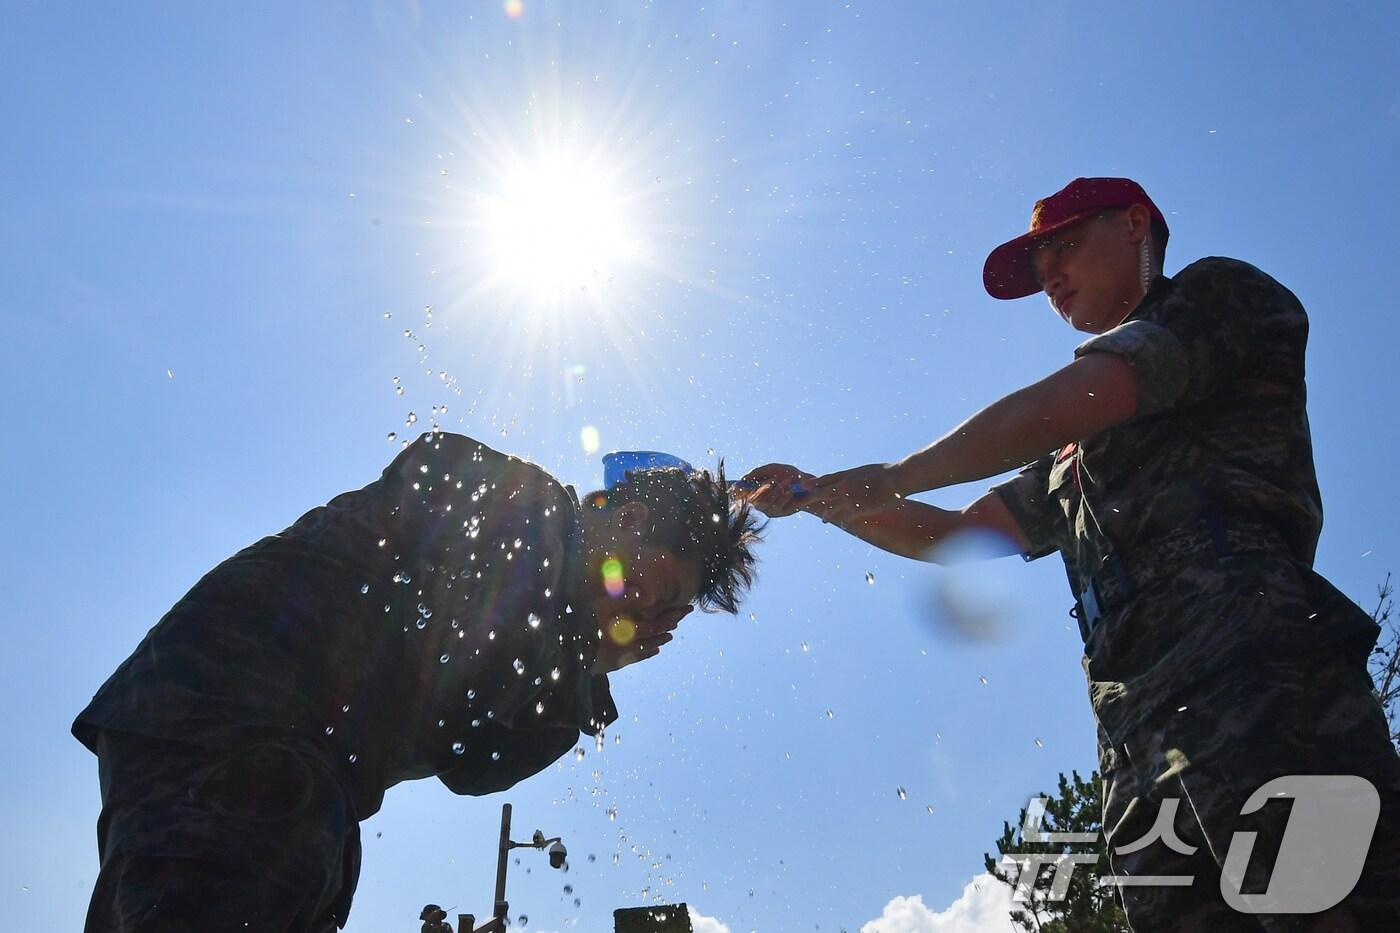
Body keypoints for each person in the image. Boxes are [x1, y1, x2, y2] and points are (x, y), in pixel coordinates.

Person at [744, 177, 1400, 931]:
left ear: (1133, 226)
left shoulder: (1219, 298)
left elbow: (1087, 390)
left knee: (1328, 912)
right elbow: (959, 533)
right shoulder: (1072, 453)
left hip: (1255, 675)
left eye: (1064, 245)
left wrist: (892, 475)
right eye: (1038, 265)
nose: (1049, 276)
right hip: (1136, 731)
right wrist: (816, 497)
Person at [74, 429, 760, 932]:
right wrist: (580, 662)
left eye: (672, 615)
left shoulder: (554, 619)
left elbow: (471, 759)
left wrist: (588, 664)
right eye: (662, 589)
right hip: (231, 720)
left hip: (287, 769)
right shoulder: (531, 512)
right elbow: (431, 470)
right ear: (633, 520)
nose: (652, 620)